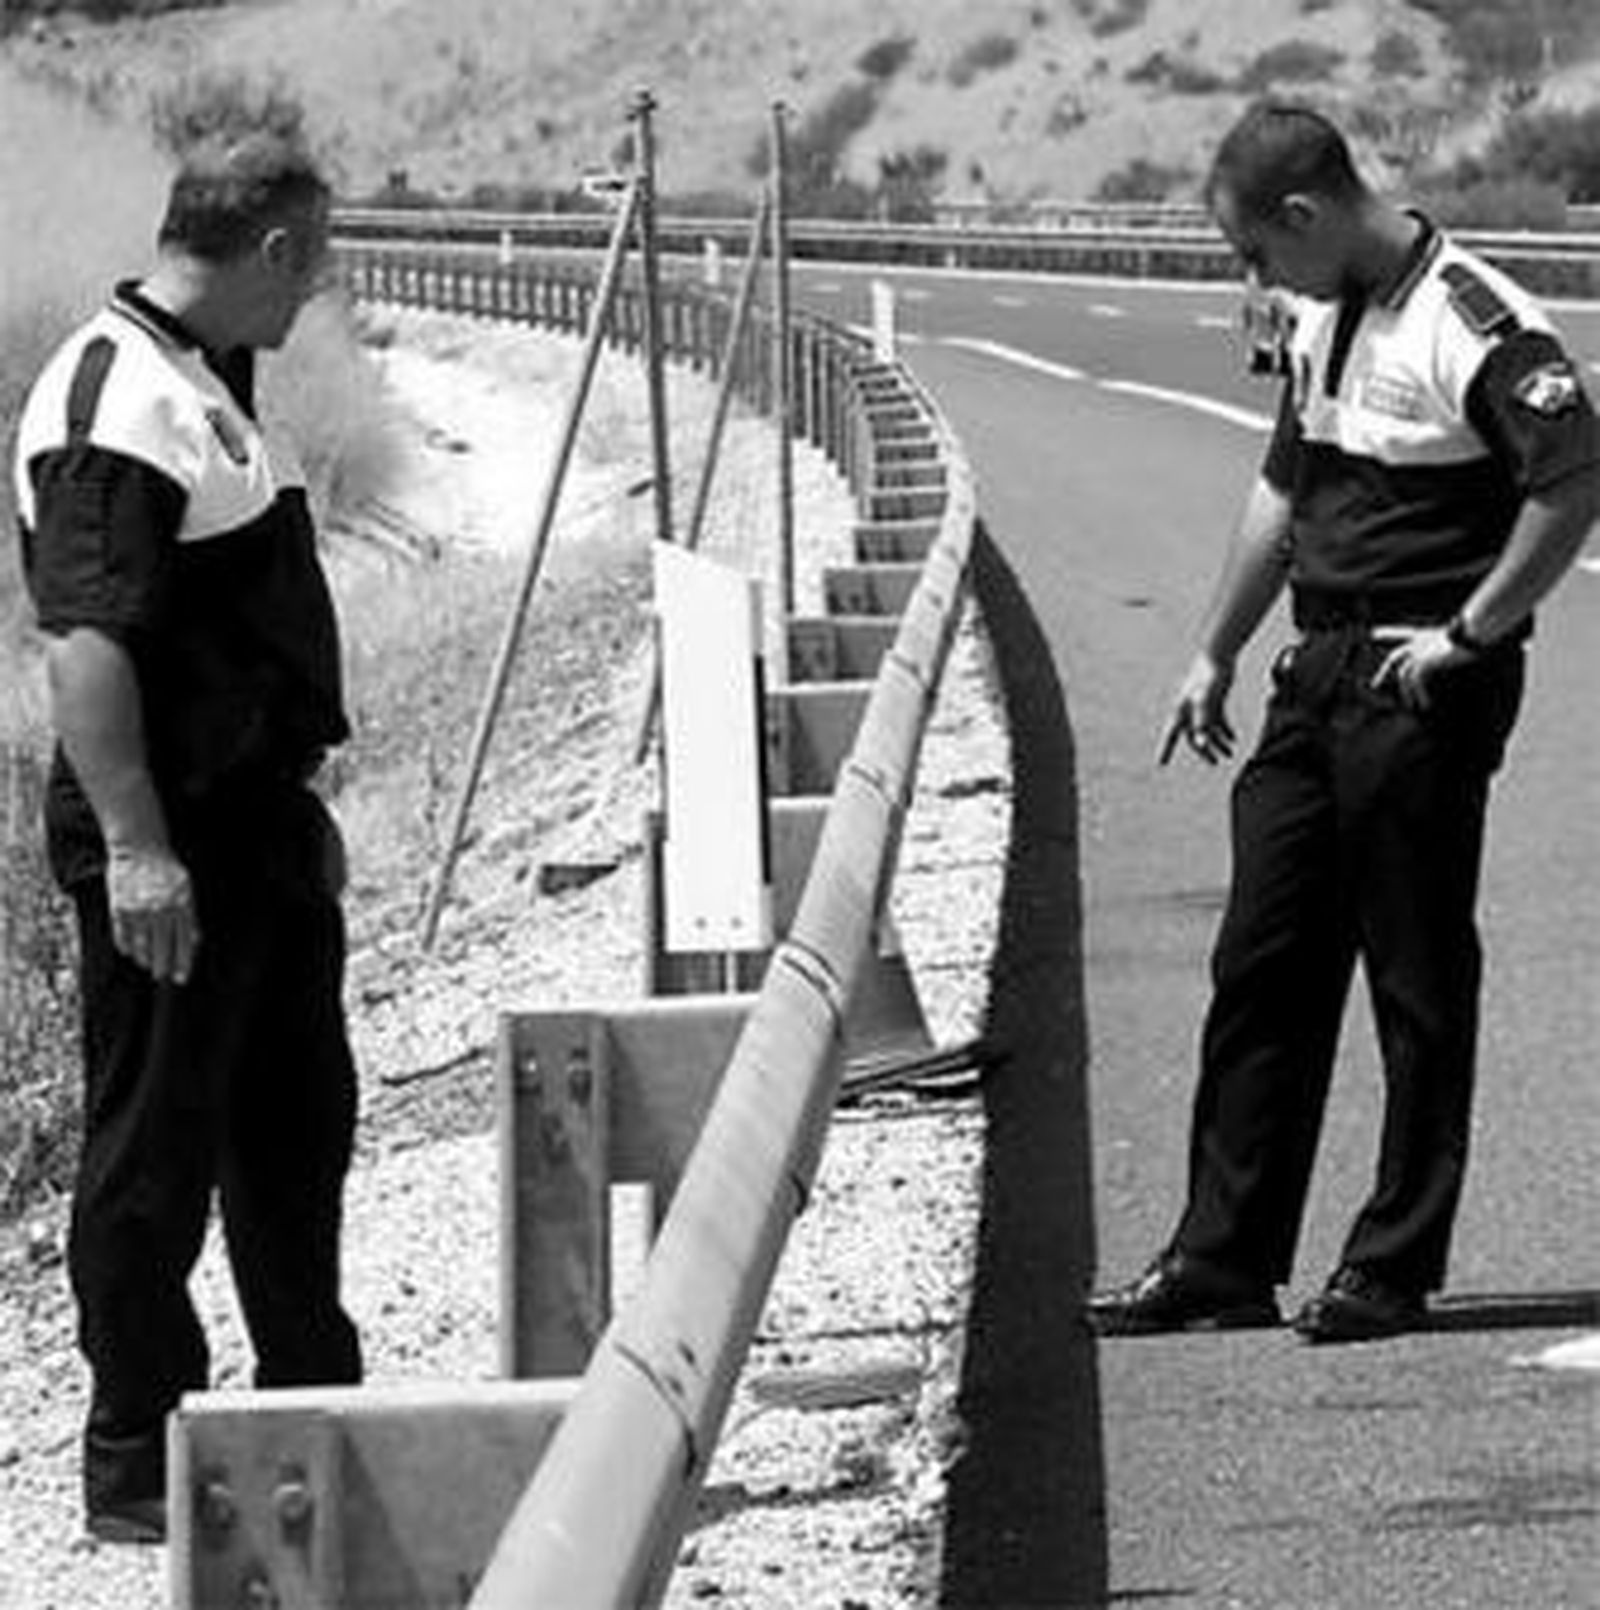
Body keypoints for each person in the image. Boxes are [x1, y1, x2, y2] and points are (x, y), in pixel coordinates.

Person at [1088, 102, 1600, 1345]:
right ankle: (1221, 1254)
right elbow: (1284, 485)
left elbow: (1574, 474)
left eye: (1257, 252)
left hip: (1419, 676)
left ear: (1306, 215)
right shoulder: (1321, 313)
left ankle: (1390, 1261)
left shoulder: (1470, 318)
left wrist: (1470, 630)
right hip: (1314, 670)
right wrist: (1212, 645)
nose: (1252, 280)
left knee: (1414, 976)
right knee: (1261, 963)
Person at [13, 131, 362, 1543]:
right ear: (271, 250)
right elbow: (86, 649)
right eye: (313, 266)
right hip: (171, 845)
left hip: (257, 828)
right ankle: (138, 1455)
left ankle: (309, 1401)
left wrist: (301, 807)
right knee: (154, 1149)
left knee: (294, 1128)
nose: (315, 297)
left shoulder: (206, 379)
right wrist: (143, 849)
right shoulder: (114, 396)